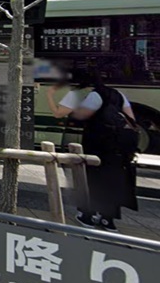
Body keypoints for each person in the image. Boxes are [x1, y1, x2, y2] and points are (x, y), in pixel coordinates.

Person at [46, 76, 138, 232]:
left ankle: (87, 216)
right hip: (117, 149)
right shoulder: (118, 95)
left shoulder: (86, 94)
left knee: (89, 177)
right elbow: (132, 120)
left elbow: (61, 114)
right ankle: (108, 219)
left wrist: (50, 94)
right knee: (111, 179)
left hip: (96, 144)